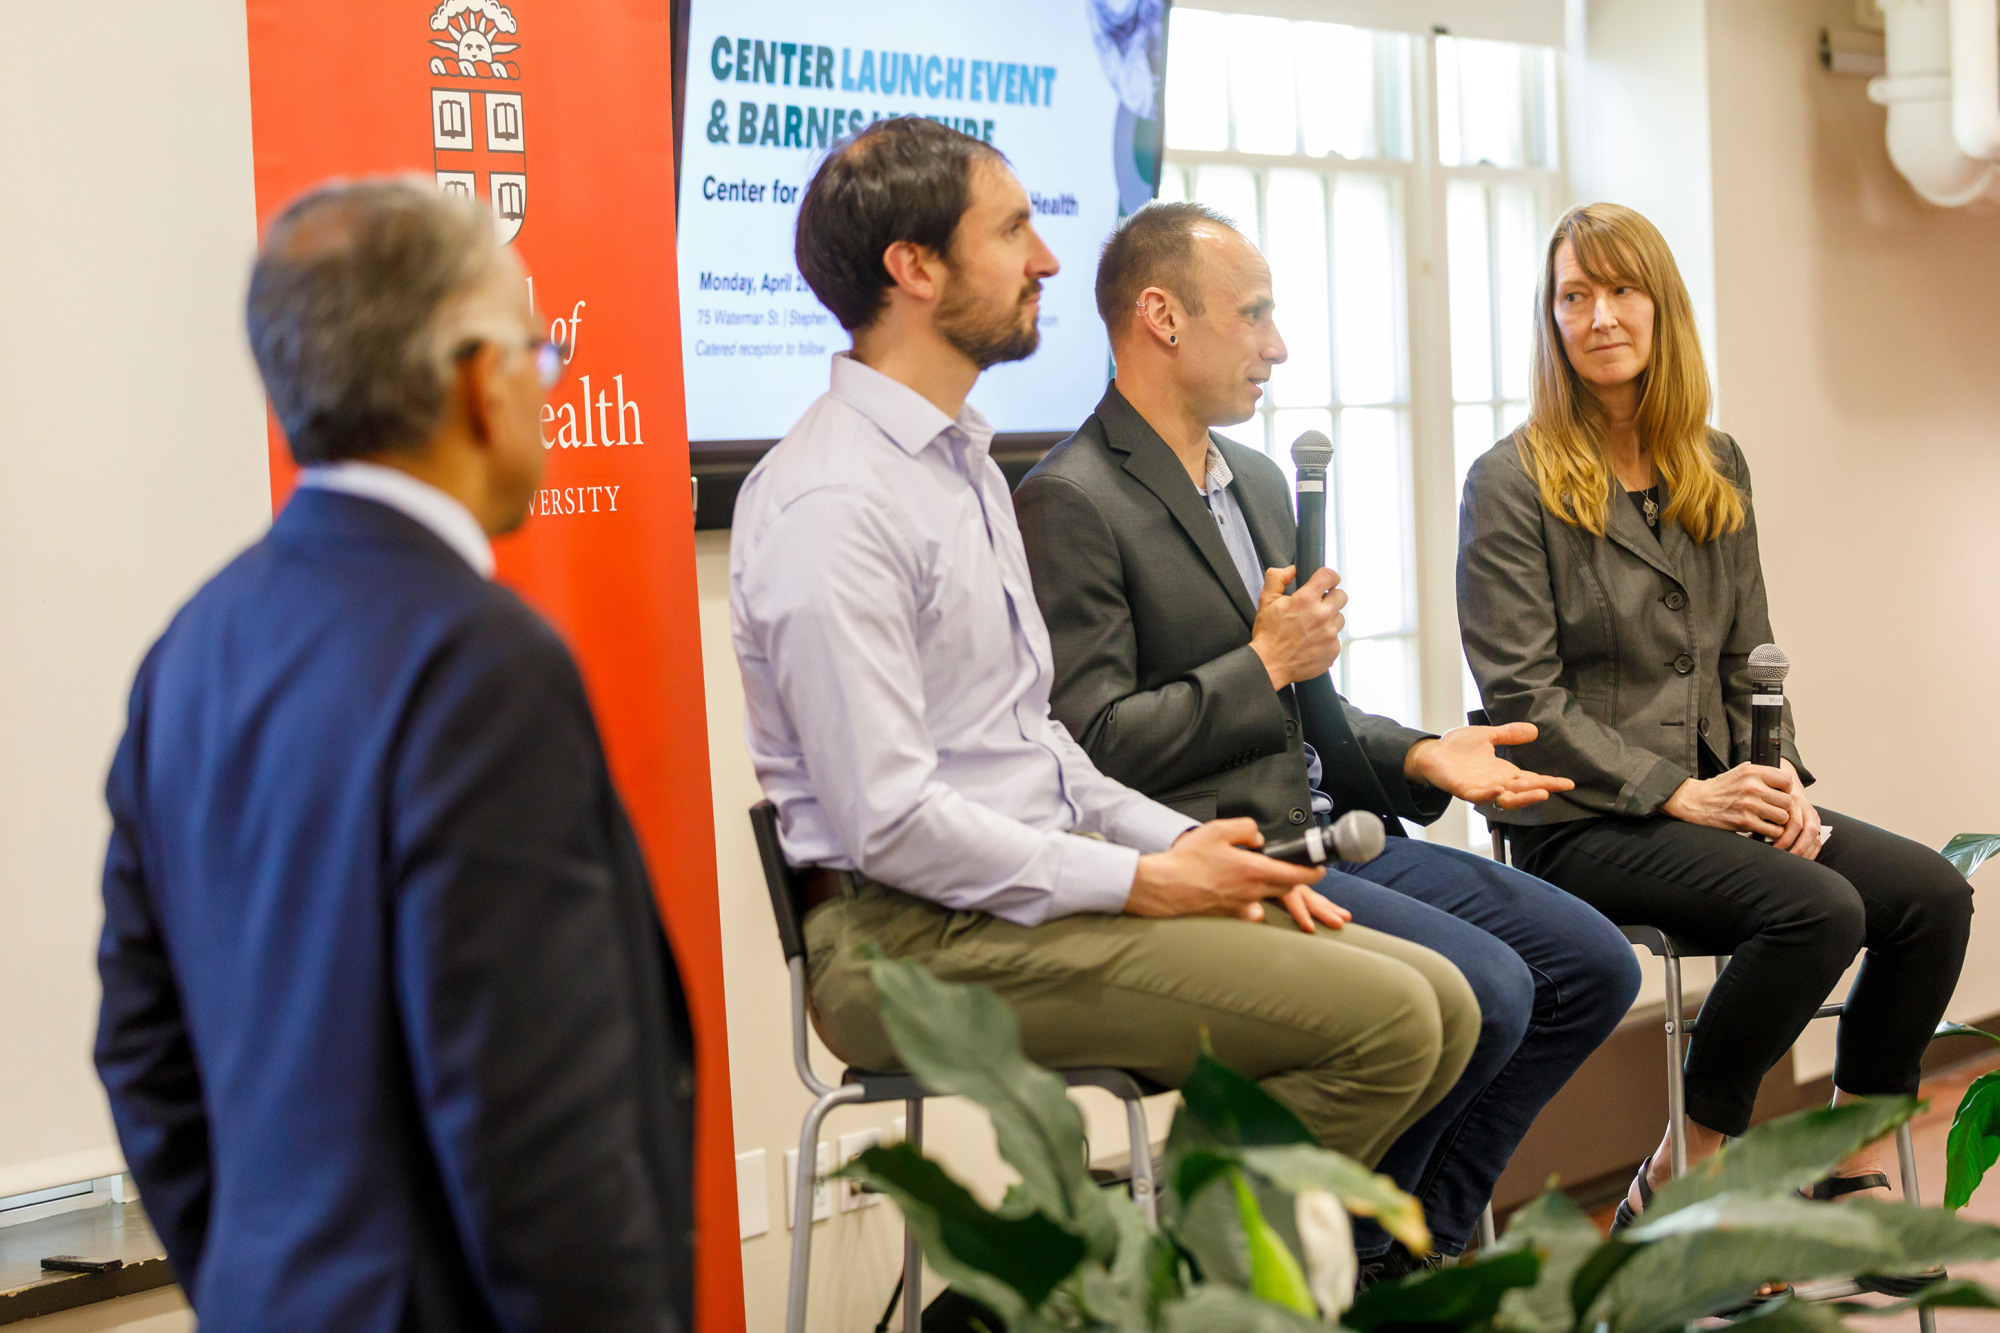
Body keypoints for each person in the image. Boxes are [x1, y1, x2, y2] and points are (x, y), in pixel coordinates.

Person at [731, 116, 1482, 1165]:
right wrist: (1141, 881)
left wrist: (1169, 843)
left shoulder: (961, 468)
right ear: (912, 268)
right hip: (904, 944)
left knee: (1444, 1003)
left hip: (1015, 900)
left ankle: (1156, 1276)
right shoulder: (830, 501)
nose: (1045, 259)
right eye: (1011, 232)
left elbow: (1039, 746)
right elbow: (890, 822)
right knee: (1393, 1021)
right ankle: (1132, 1289)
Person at [93, 179, 696, 1333]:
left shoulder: (194, 646)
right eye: (539, 348)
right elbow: (533, 1131)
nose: (545, 380)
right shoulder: (483, 662)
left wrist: (252, 1278)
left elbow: (139, 1045)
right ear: (479, 380)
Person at [1013, 201, 1641, 1273]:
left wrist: (1417, 755)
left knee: (1590, 965)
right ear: (1160, 317)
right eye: (1253, 315)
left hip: (1331, 826)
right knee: (1489, 989)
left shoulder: (1255, 480)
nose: (1277, 346)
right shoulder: (1071, 500)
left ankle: (1405, 1244)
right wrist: (1258, 661)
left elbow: (1309, 703)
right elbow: (1096, 746)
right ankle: (1343, 1265)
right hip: (1224, 859)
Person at [1458, 202, 1971, 1285]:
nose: (1596, 316)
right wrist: (1674, 794)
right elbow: (1523, 697)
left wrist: (1777, 778)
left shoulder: (1713, 463)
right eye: (1571, 296)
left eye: (1618, 290)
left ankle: (1847, 1173)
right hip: (1575, 820)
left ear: (1660, 306)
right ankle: (1685, 1181)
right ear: (1549, 320)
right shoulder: (1508, 482)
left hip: (1716, 803)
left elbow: (1752, 659)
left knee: (1929, 895)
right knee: (1815, 908)